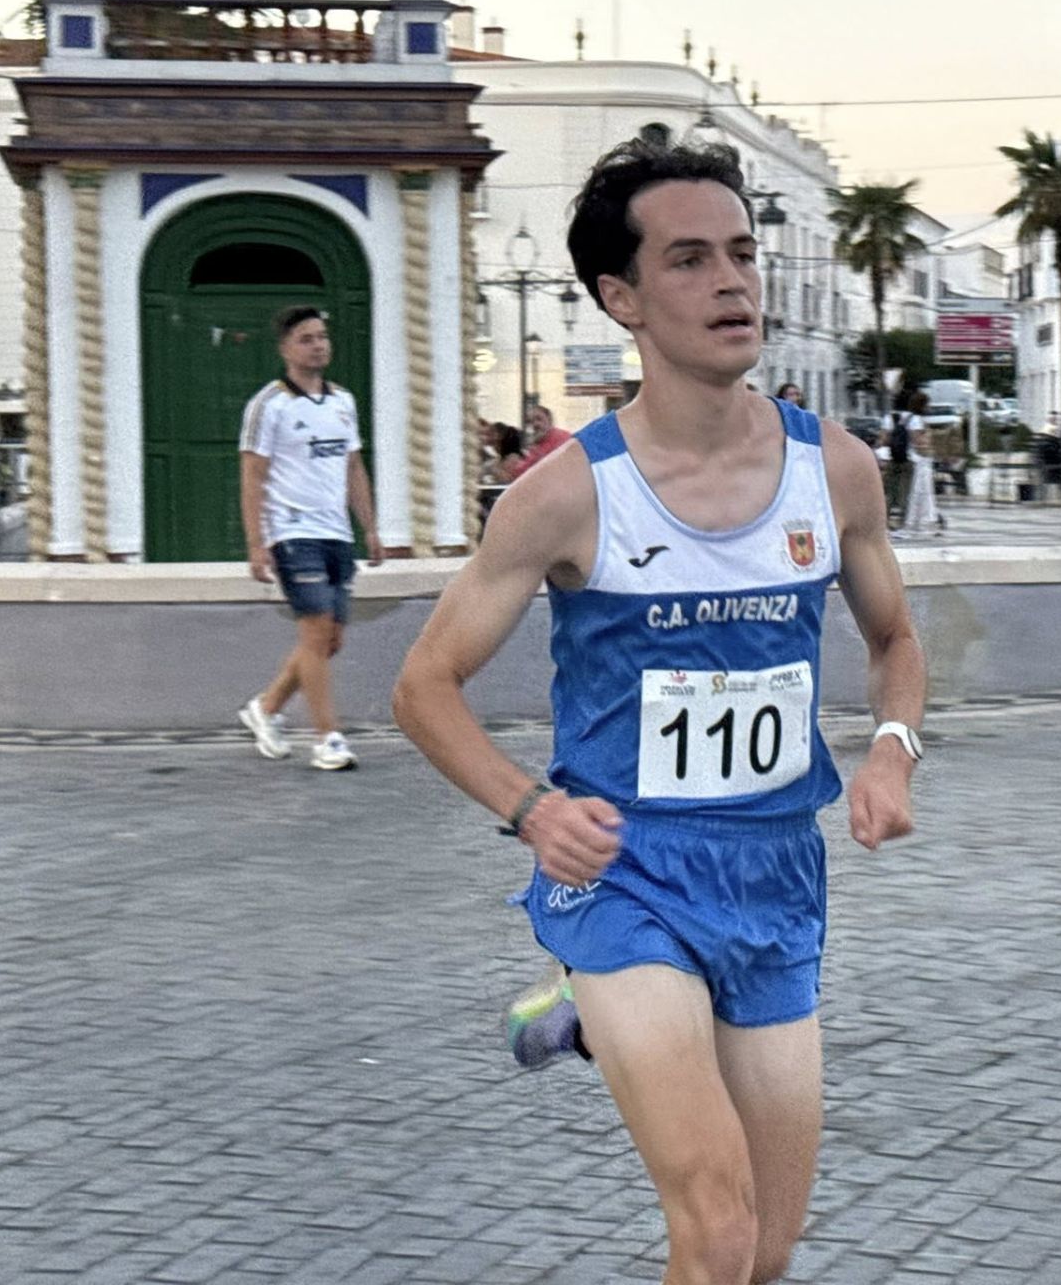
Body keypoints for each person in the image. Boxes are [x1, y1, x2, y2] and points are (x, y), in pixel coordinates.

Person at [392, 137, 924, 1285]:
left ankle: (590, 1015)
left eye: (741, 253)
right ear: (620, 298)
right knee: (716, 1228)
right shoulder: (564, 495)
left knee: (764, 1254)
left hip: (773, 874)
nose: (732, 282)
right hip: (623, 873)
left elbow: (895, 641)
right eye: (689, 260)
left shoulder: (835, 470)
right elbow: (423, 687)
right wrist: (532, 811)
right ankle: (604, 988)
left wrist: (890, 752)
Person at [236, 305, 384, 770]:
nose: (318, 345)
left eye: (322, 336)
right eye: (306, 338)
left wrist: (370, 526)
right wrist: (257, 543)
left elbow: (353, 466)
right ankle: (328, 737)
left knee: (330, 640)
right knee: (316, 630)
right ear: (285, 349)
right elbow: (253, 475)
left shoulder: (343, 402)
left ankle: (266, 708)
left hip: (335, 532)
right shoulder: (269, 405)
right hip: (292, 530)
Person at [899, 392, 945, 536]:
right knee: (921, 492)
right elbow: (918, 441)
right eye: (927, 404)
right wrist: (929, 445)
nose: (929, 407)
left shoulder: (910, 419)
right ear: (921, 405)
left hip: (919, 459)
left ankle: (924, 521)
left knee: (922, 492)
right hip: (920, 460)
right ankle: (921, 522)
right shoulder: (917, 421)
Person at [510, 403, 574, 480]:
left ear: (549, 420)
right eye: (531, 422)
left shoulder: (563, 438)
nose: (535, 424)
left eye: (539, 419)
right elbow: (520, 472)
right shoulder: (539, 442)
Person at [881, 392, 916, 524]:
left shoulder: (889, 418)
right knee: (905, 491)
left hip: (892, 458)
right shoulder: (913, 419)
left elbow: (884, 440)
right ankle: (903, 519)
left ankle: (886, 519)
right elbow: (915, 440)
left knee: (889, 490)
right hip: (908, 459)